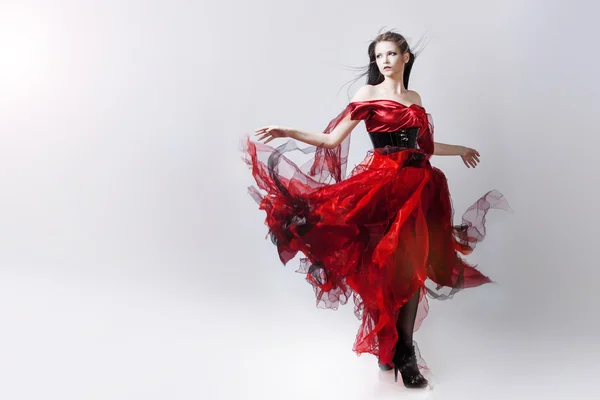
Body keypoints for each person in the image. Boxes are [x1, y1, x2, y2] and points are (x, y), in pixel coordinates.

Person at [241, 30, 510, 389]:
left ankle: (405, 350)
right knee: (386, 267)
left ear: (405, 57)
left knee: (415, 265)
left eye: (390, 54)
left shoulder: (414, 97)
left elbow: (425, 145)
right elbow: (332, 140)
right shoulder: (367, 95)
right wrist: (289, 130)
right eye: (379, 55)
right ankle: (394, 348)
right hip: (384, 185)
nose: (384, 61)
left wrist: (460, 149)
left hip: (420, 186)